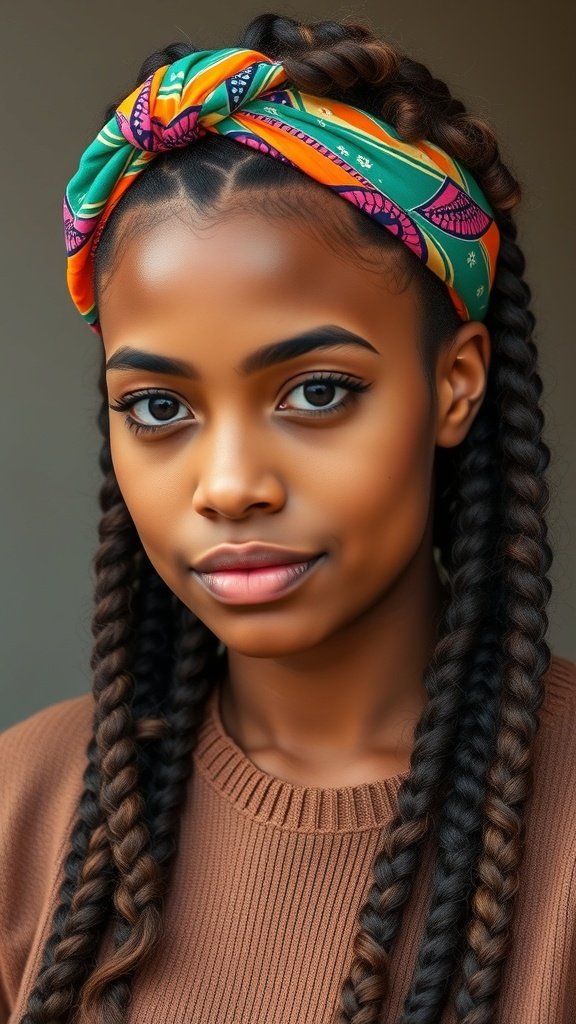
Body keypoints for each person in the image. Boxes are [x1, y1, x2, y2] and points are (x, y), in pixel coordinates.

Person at [1, 11, 574, 1024]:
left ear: (456, 385)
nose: (228, 485)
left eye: (315, 392)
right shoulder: (26, 804)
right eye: (159, 407)